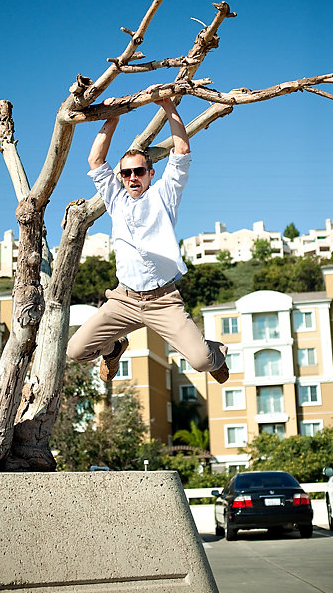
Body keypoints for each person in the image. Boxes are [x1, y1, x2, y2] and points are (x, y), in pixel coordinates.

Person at [66, 85, 229, 385]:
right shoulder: (116, 199)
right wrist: (111, 119)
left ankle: (216, 354)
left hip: (163, 301)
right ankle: (114, 348)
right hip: (123, 300)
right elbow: (95, 160)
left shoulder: (165, 195)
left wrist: (168, 106)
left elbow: (181, 151)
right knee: (75, 350)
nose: (131, 178)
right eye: (126, 173)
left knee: (201, 360)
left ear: (150, 174)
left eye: (138, 172)